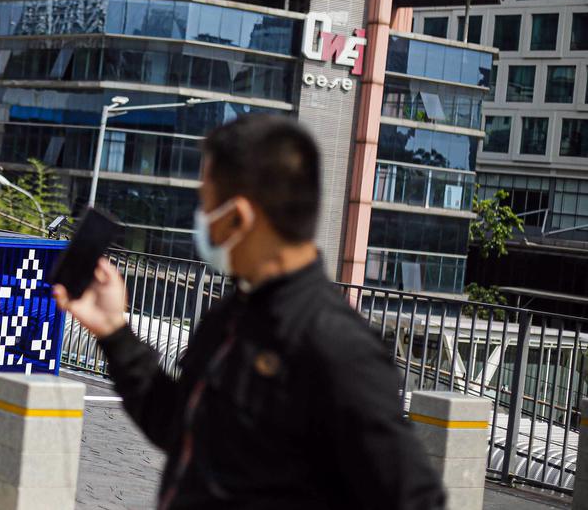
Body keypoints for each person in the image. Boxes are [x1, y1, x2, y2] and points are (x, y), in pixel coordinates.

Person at [54, 114, 445, 509]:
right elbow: (181, 427)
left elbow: (414, 500)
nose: (201, 218)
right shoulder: (229, 317)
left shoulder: (337, 347)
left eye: (205, 202)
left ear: (238, 217)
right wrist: (113, 332)